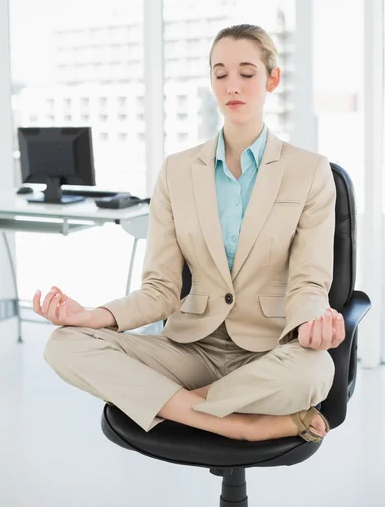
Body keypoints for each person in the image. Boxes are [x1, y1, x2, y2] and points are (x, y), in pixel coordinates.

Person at [33, 24, 345, 444]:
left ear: (272, 79)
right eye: (220, 74)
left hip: (270, 350)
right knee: (63, 344)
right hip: (191, 347)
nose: (232, 85)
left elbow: (309, 281)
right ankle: (237, 423)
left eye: (246, 73)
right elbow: (160, 289)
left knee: (315, 370)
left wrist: (313, 324)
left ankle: (171, 406)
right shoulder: (176, 171)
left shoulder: (309, 170)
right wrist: (95, 317)